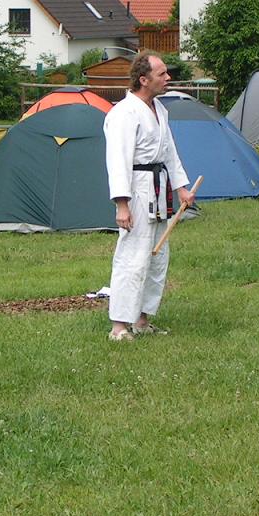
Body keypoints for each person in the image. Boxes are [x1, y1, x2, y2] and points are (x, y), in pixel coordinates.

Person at [104, 53, 193, 341]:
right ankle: (119, 326)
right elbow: (117, 160)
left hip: (159, 187)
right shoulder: (123, 113)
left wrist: (181, 187)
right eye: (162, 74)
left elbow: (169, 152)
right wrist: (122, 204)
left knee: (157, 256)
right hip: (137, 189)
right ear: (143, 80)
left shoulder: (159, 109)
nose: (168, 78)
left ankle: (142, 320)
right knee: (132, 257)